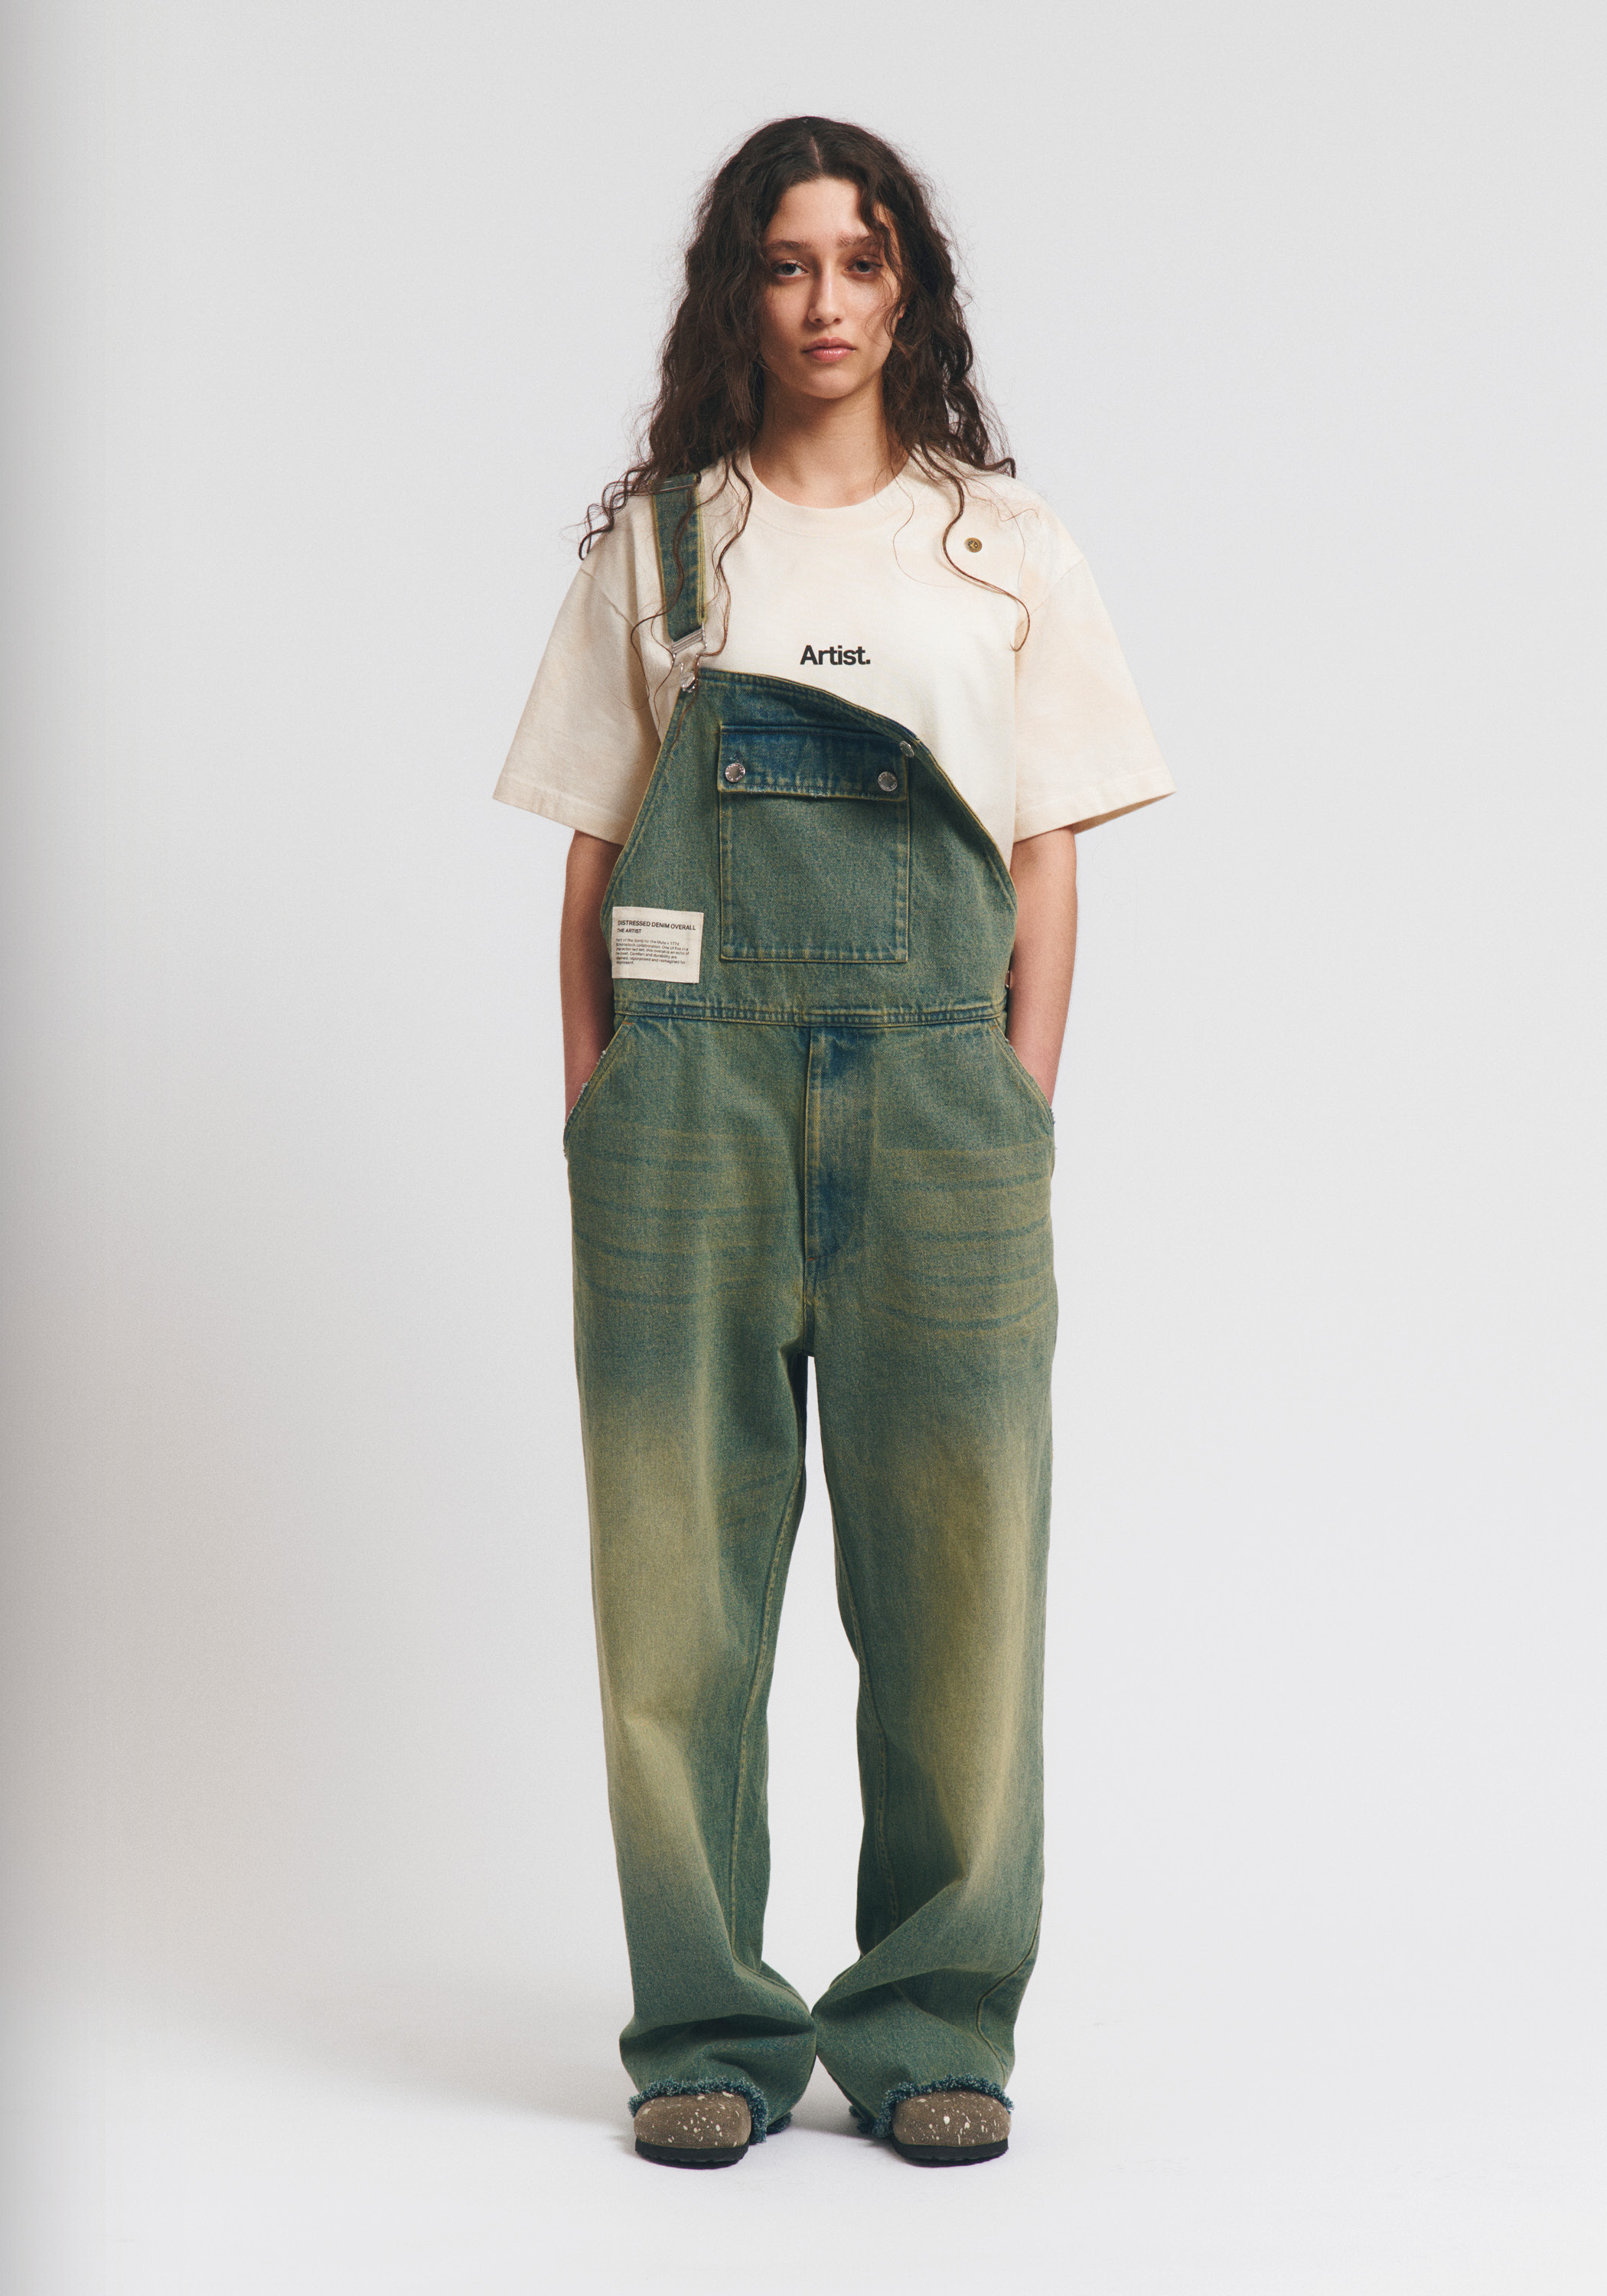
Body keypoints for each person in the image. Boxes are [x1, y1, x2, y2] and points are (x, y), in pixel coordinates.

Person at [495, 116, 1172, 2170]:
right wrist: (600, 1101)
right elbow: (592, 860)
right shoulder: (663, 548)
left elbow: (1045, 858)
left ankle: (932, 2019)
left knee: (961, 1573)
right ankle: (703, 2028)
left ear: (908, 292)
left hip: (944, 1102)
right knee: (674, 1587)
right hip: (683, 1104)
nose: (822, 303)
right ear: (738, 292)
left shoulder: (1000, 547)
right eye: (784, 264)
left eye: (860, 261)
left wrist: (1015, 1094)